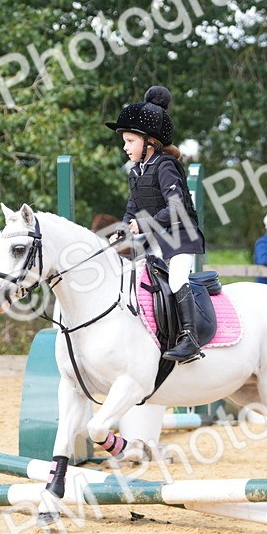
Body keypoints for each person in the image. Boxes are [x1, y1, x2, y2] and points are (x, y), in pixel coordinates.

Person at [107, 84, 206, 363]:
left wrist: (142, 224)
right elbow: (132, 208)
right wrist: (123, 229)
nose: (125, 147)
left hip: (181, 239)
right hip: (157, 241)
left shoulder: (165, 166)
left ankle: (190, 339)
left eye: (129, 141)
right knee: (137, 280)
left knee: (175, 280)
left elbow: (177, 208)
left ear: (150, 141)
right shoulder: (136, 171)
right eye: (124, 141)